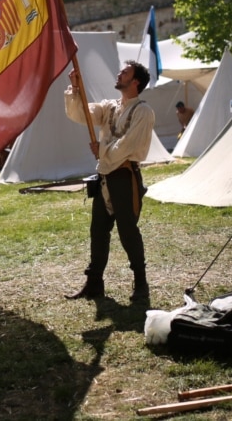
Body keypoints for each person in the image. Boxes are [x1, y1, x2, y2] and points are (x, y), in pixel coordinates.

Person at [63, 60, 156, 302]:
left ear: (135, 81)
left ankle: (141, 284)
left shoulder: (143, 111)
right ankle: (94, 283)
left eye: (125, 72)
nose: (119, 74)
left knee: (127, 231)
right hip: (105, 174)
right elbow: (82, 113)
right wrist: (75, 89)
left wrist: (101, 149)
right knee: (98, 231)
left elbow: (129, 145)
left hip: (124, 175)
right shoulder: (110, 107)